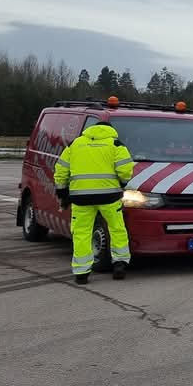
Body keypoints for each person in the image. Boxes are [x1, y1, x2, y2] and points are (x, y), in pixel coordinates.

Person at [54, 121, 135, 284]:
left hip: (80, 197)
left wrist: (62, 191)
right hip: (109, 196)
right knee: (117, 228)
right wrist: (122, 183)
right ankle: (119, 263)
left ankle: (82, 272)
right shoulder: (115, 144)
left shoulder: (75, 144)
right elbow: (125, 170)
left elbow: (61, 169)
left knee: (82, 232)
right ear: (111, 130)